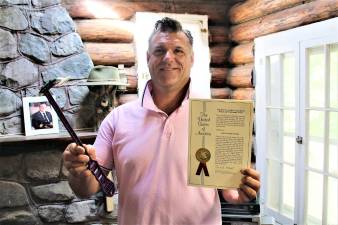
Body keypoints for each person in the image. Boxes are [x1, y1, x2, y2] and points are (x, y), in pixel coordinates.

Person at [63, 17, 260, 225]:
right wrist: (78, 172)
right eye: (159, 50)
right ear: (148, 57)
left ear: (191, 59)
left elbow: (230, 192)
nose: (168, 58)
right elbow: (87, 188)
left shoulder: (217, 118)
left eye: (178, 51)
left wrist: (241, 194)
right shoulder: (117, 119)